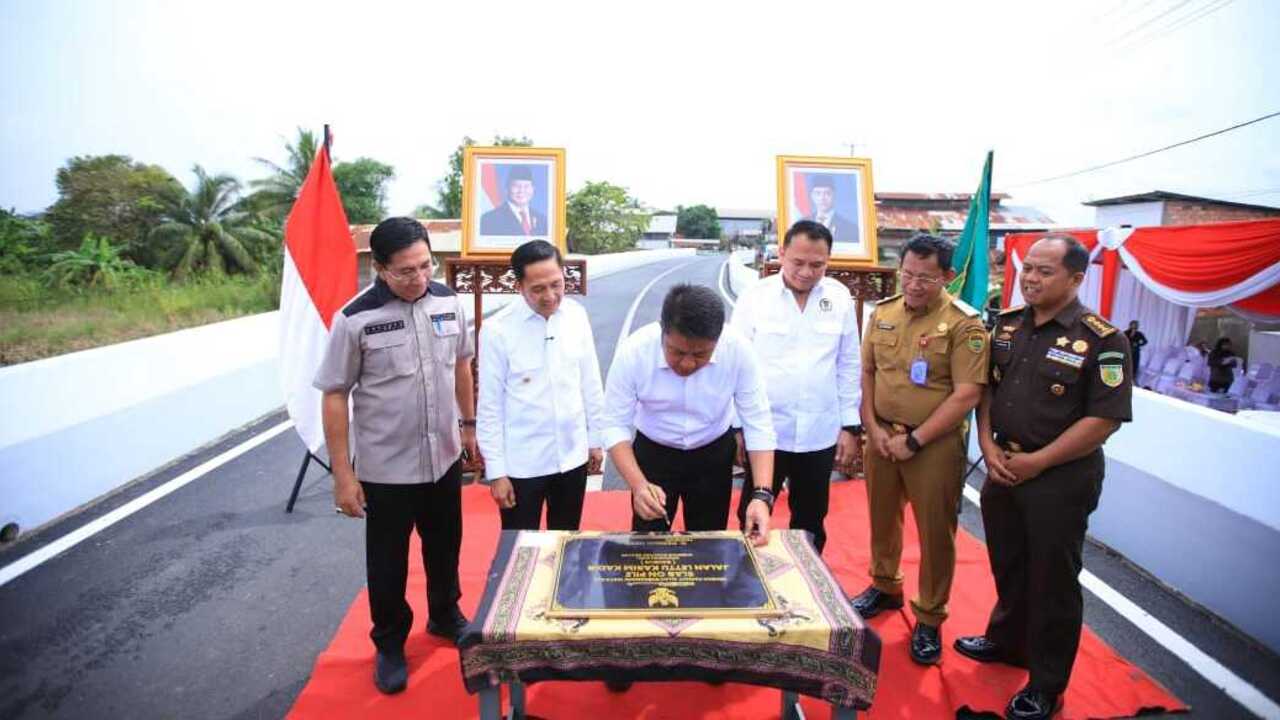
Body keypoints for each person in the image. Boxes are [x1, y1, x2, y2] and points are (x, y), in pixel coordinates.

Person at [955, 235, 1133, 720]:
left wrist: (1039, 461)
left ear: (1076, 279)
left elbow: (1104, 421)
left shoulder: (1103, 340)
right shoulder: (1008, 326)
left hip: (1058, 479)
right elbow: (986, 392)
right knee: (1009, 564)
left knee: (1053, 581)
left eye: (1044, 271)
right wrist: (987, 445)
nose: (1030, 278)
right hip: (1003, 468)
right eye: (1027, 269)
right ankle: (1008, 642)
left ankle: (1047, 683)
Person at [314, 217, 478, 695]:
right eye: (406, 271)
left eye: (426, 265)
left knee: (445, 545)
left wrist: (468, 427)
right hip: (387, 469)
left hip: (443, 456)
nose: (420, 278)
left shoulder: (448, 301)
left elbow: (462, 363)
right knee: (387, 562)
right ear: (380, 269)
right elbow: (334, 394)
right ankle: (389, 642)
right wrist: (343, 475)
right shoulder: (355, 319)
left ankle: (446, 615)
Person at [850, 233, 988, 666]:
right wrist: (871, 426)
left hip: (932, 446)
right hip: (882, 436)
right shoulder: (884, 313)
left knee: (934, 531)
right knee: (881, 516)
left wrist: (914, 440)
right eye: (907, 273)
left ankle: (929, 617)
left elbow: (967, 395)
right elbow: (868, 372)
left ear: (948, 276)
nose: (913, 284)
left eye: (925, 278)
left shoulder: (966, 324)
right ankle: (885, 586)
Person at [602, 284, 778, 541]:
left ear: (717, 340)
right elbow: (613, 424)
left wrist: (761, 496)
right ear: (663, 332)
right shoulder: (634, 352)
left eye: (700, 355)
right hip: (654, 455)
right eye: (677, 352)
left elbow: (758, 422)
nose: (687, 363)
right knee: (648, 542)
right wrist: (638, 485)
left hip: (712, 454)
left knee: (709, 541)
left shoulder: (738, 351)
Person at [730, 220, 861, 553]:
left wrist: (850, 426)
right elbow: (735, 366)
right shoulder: (755, 298)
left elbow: (848, 364)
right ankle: (749, 585)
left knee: (812, 519)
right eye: (798, 262)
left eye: (817, 264)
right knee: (754, 512)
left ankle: (809, 590)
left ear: (829, 260)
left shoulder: (839, 297)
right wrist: (737, 427)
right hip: (766, 432)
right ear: (782, 253)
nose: (806, 272)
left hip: (819, 431)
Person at [477, 240, 605, 530]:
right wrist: (496, 472)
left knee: (566, 543)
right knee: (519, 551)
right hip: (523, 464)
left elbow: (590, 382)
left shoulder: (576, 316)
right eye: (538, 289)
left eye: (556, 284)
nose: (550, 296)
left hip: (572, 458)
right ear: (519, 286)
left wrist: (596, 440)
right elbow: (490, 406)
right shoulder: (498, 330)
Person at [479, 166, 547, 236]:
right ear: (507, 188)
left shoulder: (542, 220)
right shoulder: (490, 220)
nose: (521, 191)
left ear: (533, 189)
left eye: (526, 186)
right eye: (516, 186)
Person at [802, 174, 860, 243]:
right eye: (818, 193)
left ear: (834, 195)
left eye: (827, 193)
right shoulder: (802, 225)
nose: (822, 198)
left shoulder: (850, 228)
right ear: (812, 196)